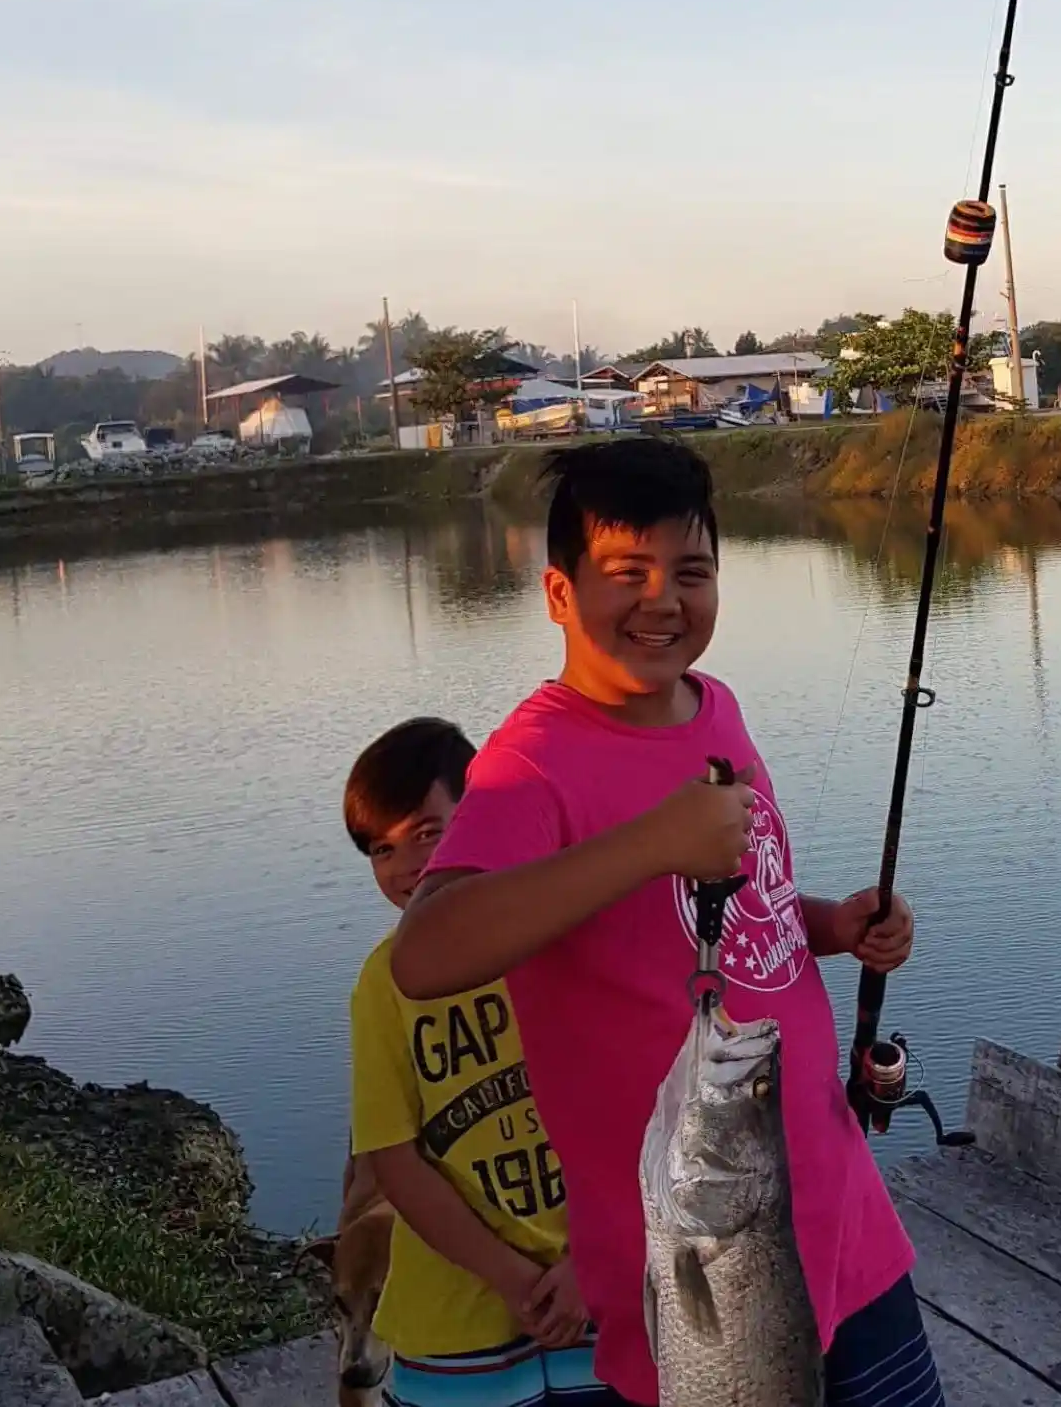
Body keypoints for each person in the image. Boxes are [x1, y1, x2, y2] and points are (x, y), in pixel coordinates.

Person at [390, 439, 944, 1407]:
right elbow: (427, 952)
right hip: (691, 1251)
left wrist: (831, 924)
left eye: (690, 571)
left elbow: (737, 916)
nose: (664, 600)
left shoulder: (713, 706)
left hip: (842, 1220)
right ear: (558, 592)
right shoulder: (534, 762)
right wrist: (652, 840)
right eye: (626, 573)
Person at [344, 717, 619, 1406]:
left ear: (485, 818)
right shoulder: (384, 983)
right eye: (382, 848)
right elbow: (394, 1159)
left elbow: (638, 1108)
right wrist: (511, 1277)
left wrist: (592, 1256)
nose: (406, 865)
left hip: (601, 1289)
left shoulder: (568, 940)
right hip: (454, 1325)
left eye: (429, 832)